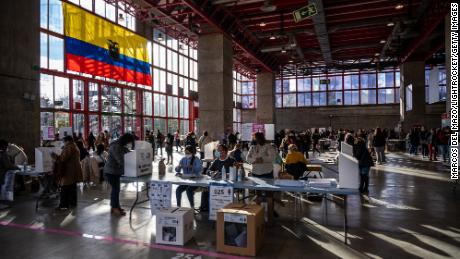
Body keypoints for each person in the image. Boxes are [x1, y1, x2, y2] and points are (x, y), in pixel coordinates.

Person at [104, 133, 135, 216]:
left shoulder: (120, 145)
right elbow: (121, 160)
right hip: (111, 172)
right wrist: (132, 164)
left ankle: (115, 206)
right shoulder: (116, 147)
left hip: (115, 172)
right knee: (115, 190)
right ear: (126, 140)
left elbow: (128, 152)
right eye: (129, 142)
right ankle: (115, 208)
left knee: (116, 190)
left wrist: (134, 154)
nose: (129, 144)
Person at [51, 136, 83, 210]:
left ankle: (63, 205)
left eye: (64, 141)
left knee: (64, 187)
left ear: (67, 141)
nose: (63, 143)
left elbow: (63, 158)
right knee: (72, 187)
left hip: (69, 171)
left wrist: (54, 156)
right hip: (74, 170)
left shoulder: (69, 147)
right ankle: (72, 203)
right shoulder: (74, 146)